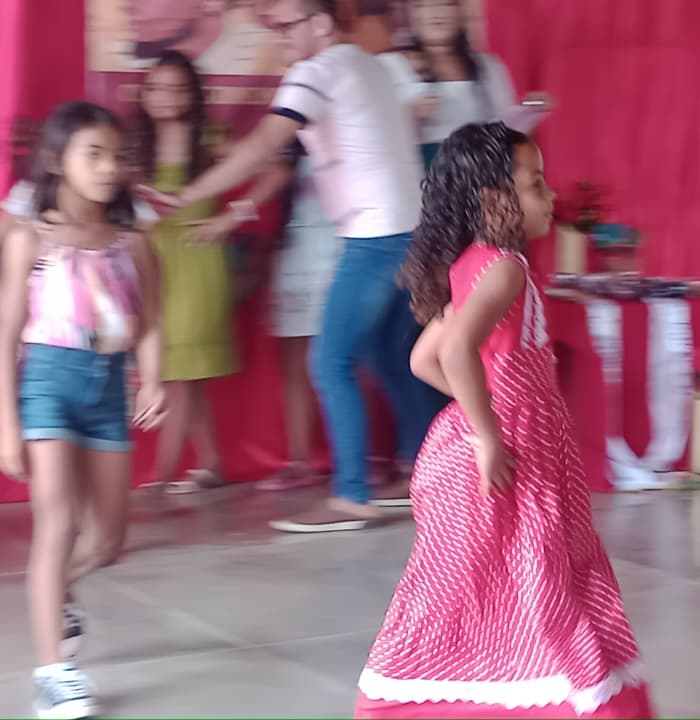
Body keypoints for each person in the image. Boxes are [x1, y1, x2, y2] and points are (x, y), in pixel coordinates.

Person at [354, 122, 652, 718]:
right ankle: (569, 697)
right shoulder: (505, 268)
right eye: (535, 183)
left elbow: (423, 359)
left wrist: (485, 406)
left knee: (479, 584)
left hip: (481, 446)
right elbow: (455, 352)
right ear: (494, 200)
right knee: (539, 579)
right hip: (514, 452)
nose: (550, 195)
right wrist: (490, 432)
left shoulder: (475, 263)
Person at [139, 0, 438, 531]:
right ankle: (428, 472)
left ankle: (351, 494)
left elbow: (265, 144)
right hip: (412, 232)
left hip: (375, 237)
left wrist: (184, 196)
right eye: (272, 25)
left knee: (330, 363)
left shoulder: (314, 71)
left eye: (285, 25)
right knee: (392, 356)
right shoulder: (367, 63)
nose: (277, 35)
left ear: (320, 23)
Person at [0, 101, 166, 720]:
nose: (107, 168)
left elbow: (151, 320)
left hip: (107, 388)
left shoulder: (133, 243)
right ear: (56, 161)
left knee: (108, 540)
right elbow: (7, 332)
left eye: (115, 156)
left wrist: (152, 378)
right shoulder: (29, 238)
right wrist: (7, 423)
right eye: (92, 155)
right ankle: (53, 674)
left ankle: (59, 590)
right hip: (46, 381)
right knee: (59, 522)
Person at [131, 50, 238, 494]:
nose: (166, 97)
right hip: (151, 265)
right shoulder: (133, 147)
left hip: (196, 264)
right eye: (156, 88)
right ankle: (212, 465)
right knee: (184, 376)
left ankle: (163, 476)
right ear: (143, 94)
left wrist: (231, 217)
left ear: (194, 94)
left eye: (177, 88)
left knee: (177, 376)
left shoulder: (212, 140)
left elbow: (274, 168)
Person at [256, 144, 343, 491]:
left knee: (337, 363)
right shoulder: (285, 151)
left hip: (335, 255)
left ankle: (358, 459)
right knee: (293, 364)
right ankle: (299, 461)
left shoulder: (343, 141)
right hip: (294, 254)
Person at [404, 0, 552, 168]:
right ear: (412, 13)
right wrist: (412, 114)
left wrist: (527, 113)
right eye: (424, 5)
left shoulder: (487, 66)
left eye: (446, 4)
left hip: (481, 174)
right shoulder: (394, 67)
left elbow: (507, 128)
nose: (436, 13)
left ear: (461, 12)